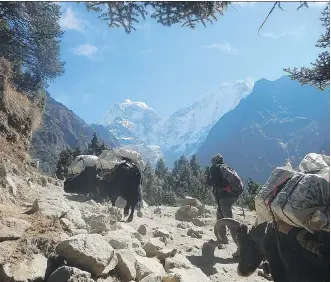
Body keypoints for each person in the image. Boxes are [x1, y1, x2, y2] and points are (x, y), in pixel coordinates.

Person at [206, 153, 243, 257]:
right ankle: (222, 239)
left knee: (229, 220)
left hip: (225, 197)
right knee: (219, 214)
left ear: (214, 161)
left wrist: (207, 179)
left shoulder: (216, 168)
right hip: (233, 194)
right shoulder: (226, 168)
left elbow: (214, 182)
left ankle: (240, 247)